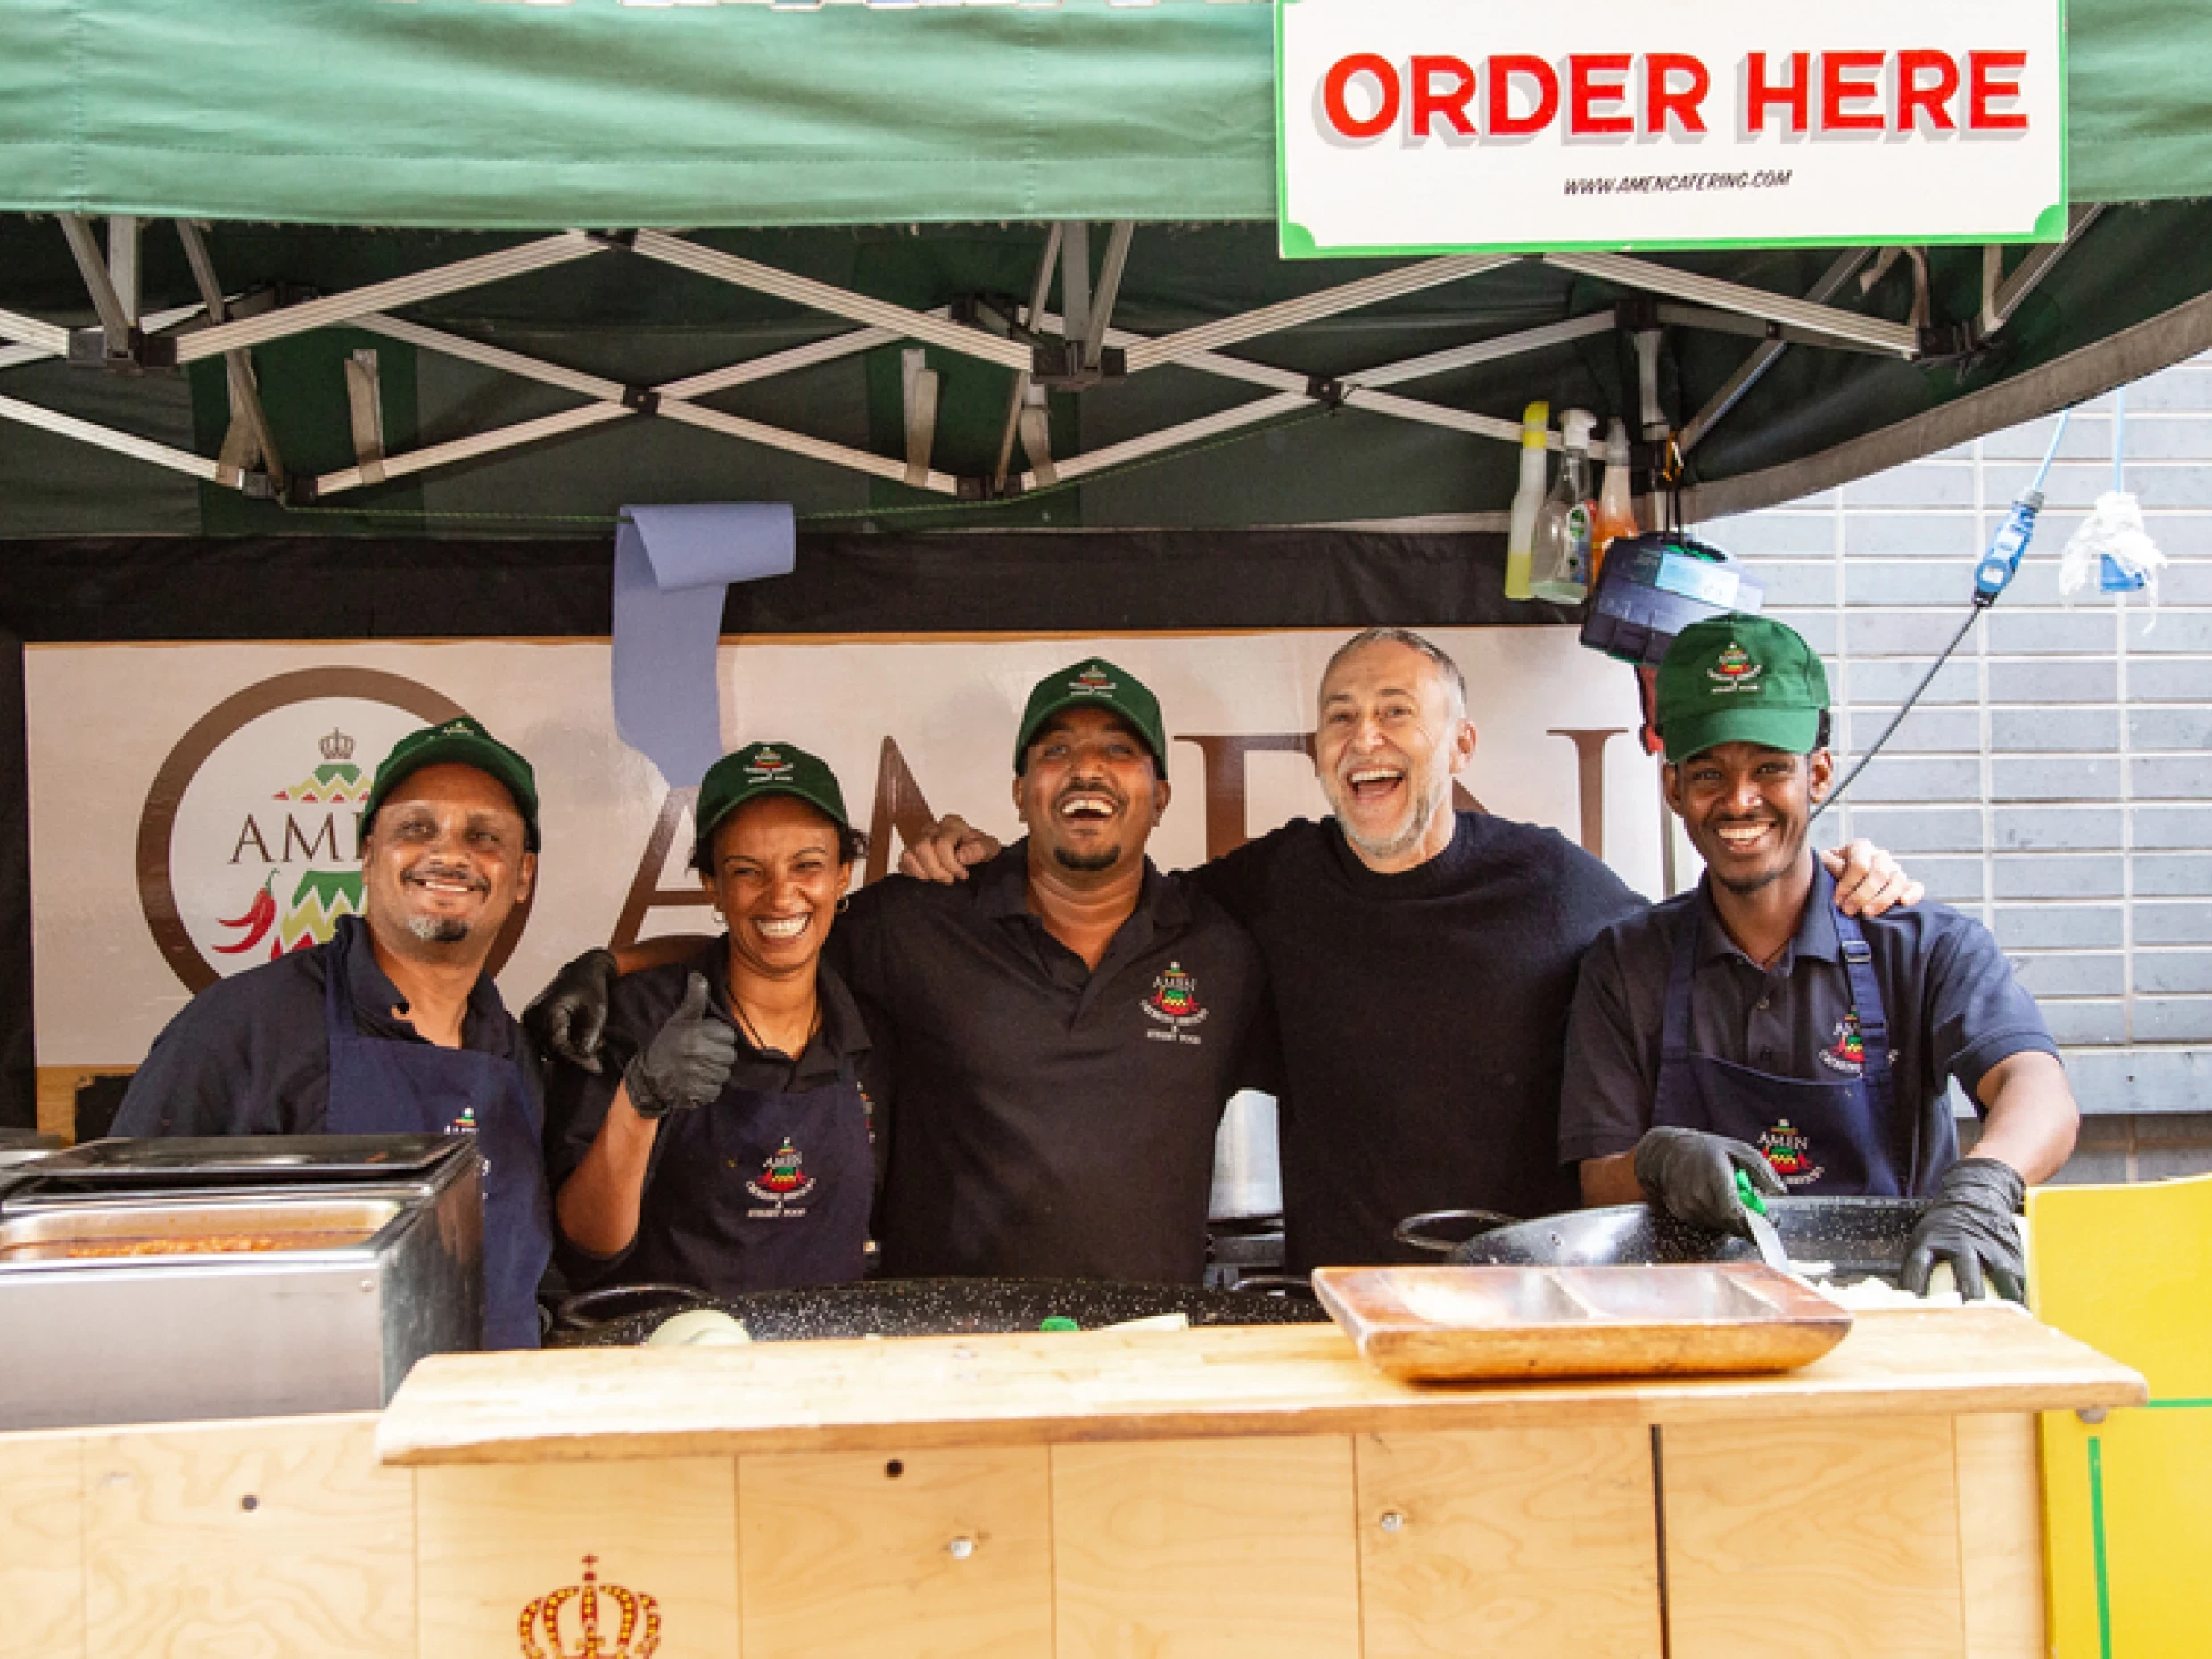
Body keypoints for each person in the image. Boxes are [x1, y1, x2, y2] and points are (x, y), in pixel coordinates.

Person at [895, 627, 1916, 1275]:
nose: (1364, 736)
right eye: (1340, 716)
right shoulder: (1267, 891)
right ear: (1316, 754)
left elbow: (1711, 942)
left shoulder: (1556, 887)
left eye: (1395, 712)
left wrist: (1838, 874)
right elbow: (1101, 898)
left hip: (1533, 1305)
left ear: (1459, 745)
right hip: (1339, 1312)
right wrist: (979, 861)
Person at [535, 661, 1269, 1284]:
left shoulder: (1221, 949)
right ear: (1019, 791)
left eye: (1118, 748)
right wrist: (614, 965)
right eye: (1055, 750)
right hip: (947, 1359)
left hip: (1149, 1352)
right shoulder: (920, 920)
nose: (1086, 768)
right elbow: (775, 941)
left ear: (1162, 795)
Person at [1559, 615, 2078, 1300]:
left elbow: (2038, 1090)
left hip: (1902, 1310)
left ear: (1819, 775)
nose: (1740, 800)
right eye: (1711, 773)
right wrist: (1658, 1164)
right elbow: (1600, 1178)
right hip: (1699, 1321)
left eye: (1770, 769)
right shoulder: (1626, 964)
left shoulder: (1922, 944)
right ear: (1675, 788)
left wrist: (1985, 1184)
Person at [112, 716, 553, 1349]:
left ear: (521, 876)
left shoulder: (513, 1053)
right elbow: (121, 1251)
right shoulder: (242, 1029)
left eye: (483, 836)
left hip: (485, 1425)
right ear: (368, 855)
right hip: (301, 1435)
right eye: (416, 828)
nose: (450, 853)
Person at [545, 743, 886, 1299]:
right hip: (672, 1362)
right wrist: (640, 1102)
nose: (781, 896)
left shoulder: (871, 1025)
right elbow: (585, 1248)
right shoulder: (637, 1018)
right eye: (747, 871)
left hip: (828, 1366)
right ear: (713, 886)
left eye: (808, 866)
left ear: (844, 874)